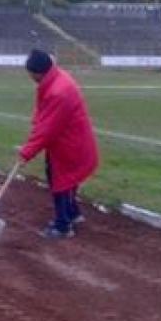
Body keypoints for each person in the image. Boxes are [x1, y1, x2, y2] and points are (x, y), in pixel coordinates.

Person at [16, 49, 99, 239]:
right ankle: (73, 214)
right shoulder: (55, 79)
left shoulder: (58, 92)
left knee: (60, 182)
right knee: (63, 179)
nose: (30, 78)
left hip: (71, 145)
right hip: (68, 141)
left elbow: (47, 130)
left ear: (38, 72)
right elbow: (42, 116)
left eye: (30, 74)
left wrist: (26, 153)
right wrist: (30, 142)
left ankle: (63, 226)